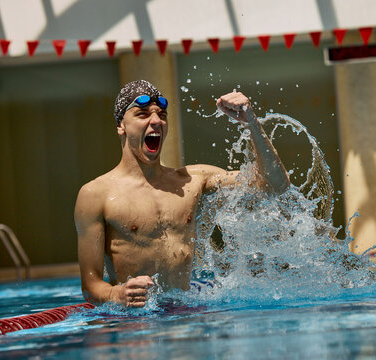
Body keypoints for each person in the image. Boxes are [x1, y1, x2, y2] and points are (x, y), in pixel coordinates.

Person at [75, 80, 290, 308]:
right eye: (142, 114)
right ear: (121, 126)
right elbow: (91, 286)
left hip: (185, 316)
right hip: (134, 327)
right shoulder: (95, 195)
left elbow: (275, 186)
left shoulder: (192, 181)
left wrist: (252, 124)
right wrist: (117, 294)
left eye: (162, 115)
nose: (156, 121)